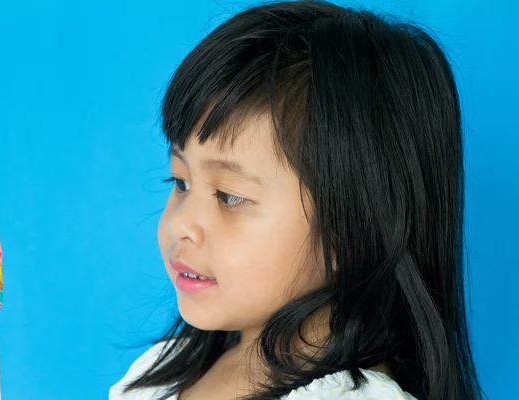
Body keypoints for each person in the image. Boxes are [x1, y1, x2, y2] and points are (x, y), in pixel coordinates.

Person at [110, 1, 486, 399]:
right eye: (180, 181)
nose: (179, 224)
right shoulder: (166, 367)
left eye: (229, 196)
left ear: (355, 225)